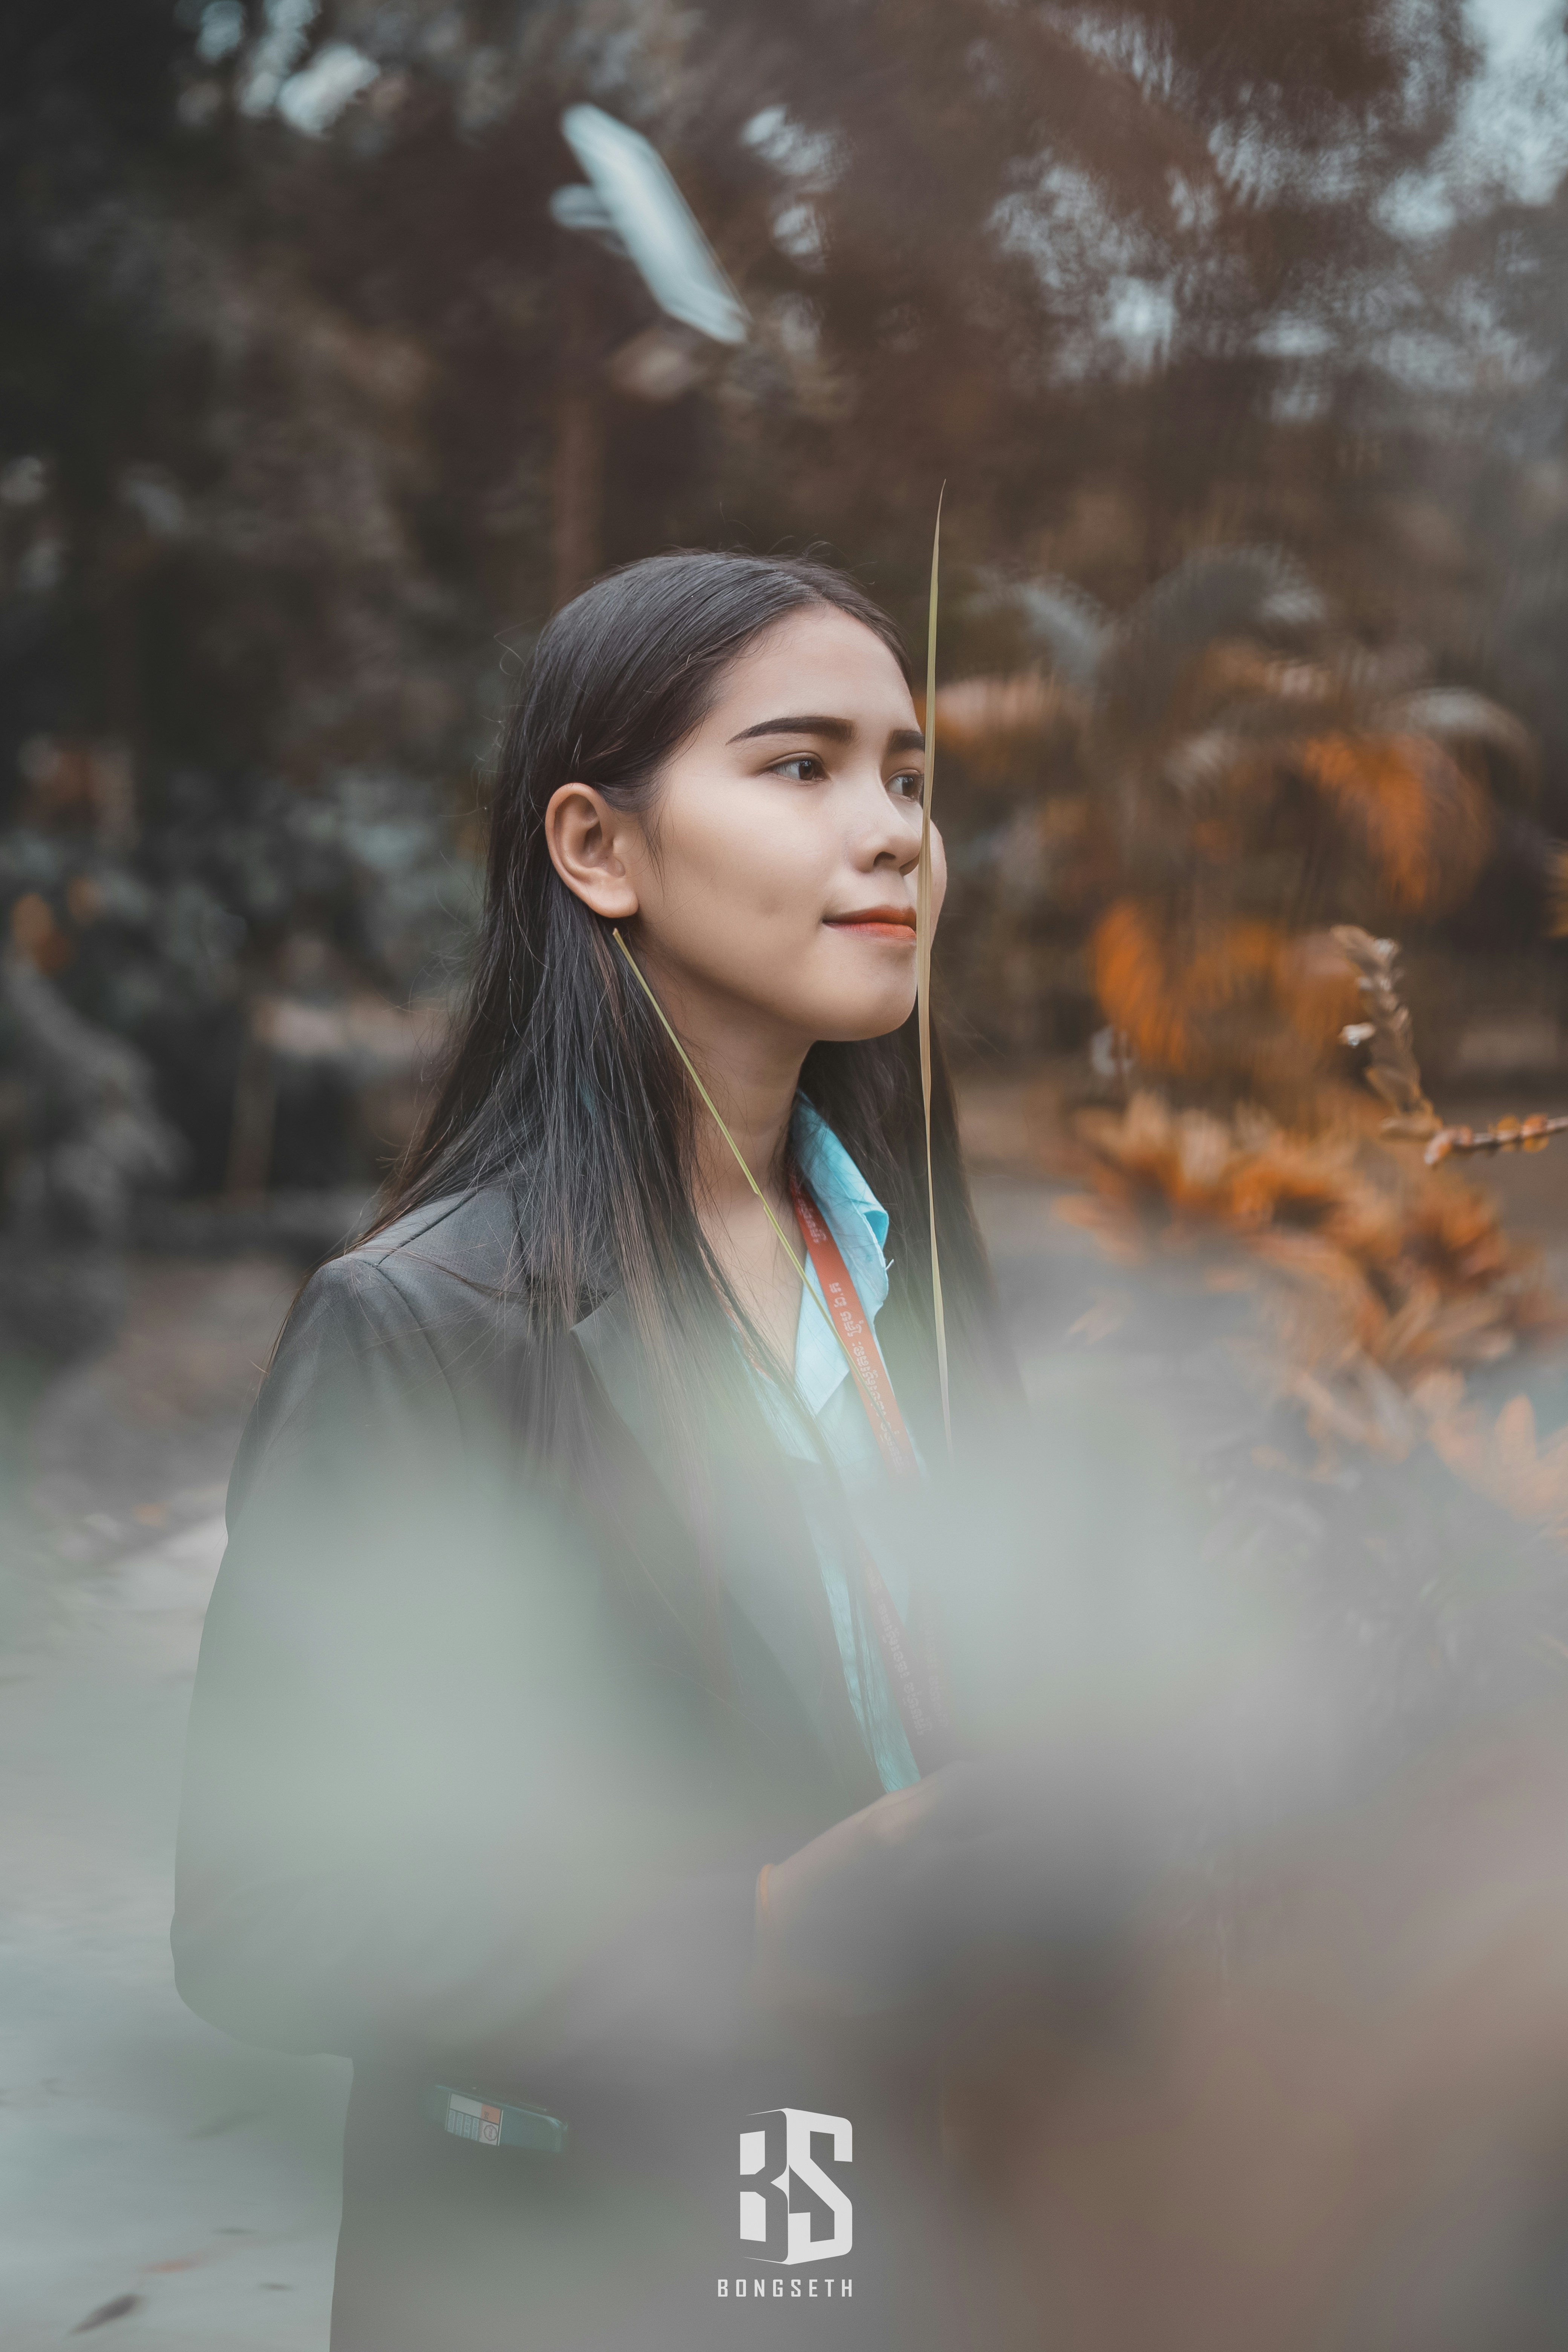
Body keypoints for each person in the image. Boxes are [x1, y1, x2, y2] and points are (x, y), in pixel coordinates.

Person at [172, 551, 1021, 2350]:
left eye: (907, 776)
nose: (886, 833)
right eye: (799, 767)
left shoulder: (913, 1277)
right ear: (596, 847)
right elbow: (266, 1918)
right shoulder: (427, 1325)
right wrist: (760, 1926)